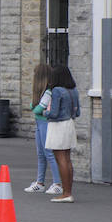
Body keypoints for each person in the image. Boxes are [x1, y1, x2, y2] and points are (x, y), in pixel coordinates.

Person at [44, 65, 81, 203]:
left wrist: (44, 113)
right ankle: (68, 191)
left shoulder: (57, 91)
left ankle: (65, 194)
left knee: (60, 160)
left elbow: (53, 113)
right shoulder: (74, 91)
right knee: (67, 159)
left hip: (58, 126)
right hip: (70, 124)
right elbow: (77, 113)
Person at [25, 64, 61, 195]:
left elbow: (37, 108)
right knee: (41, 154)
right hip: (39, 123)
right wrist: (35, 107)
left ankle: (57, 183)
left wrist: (35, 108)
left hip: (45, 124)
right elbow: (35, 107)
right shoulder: (43, 93)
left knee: (49, 153)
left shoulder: (48, 92)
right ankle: (40, 182)